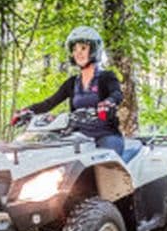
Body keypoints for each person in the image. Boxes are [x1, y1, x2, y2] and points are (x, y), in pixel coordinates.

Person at [10, 26, 124, 155]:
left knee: (107, 163)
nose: (78, 53)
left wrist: (108, 102)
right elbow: (50, 102)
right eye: (74, 49)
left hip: (105, 135)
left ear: (94, 50)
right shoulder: (72, 82)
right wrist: (27, 111)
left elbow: (117, 93)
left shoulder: (106, 77)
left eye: (83, 48)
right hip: (77, 138)